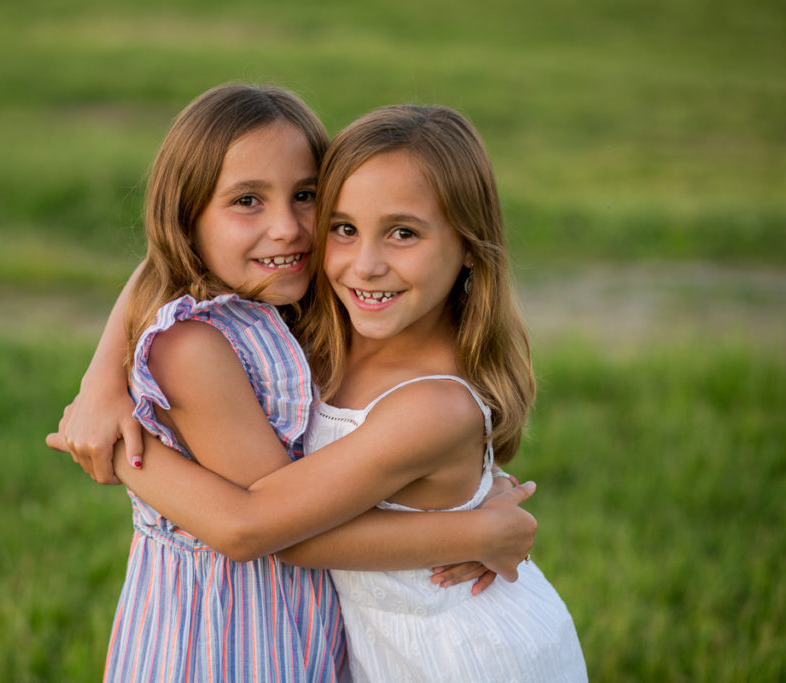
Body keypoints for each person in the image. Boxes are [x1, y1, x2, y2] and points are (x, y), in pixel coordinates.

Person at [47, 85, 539, 681]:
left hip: (444, 653)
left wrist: (114, 425)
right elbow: (253, 526)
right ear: (188, 218)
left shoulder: (314, 316)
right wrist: (101, 392)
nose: (286, 229)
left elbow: (267, 526)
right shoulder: (204, 342)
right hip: (223, 639)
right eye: (248, 200)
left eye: (306, 197)